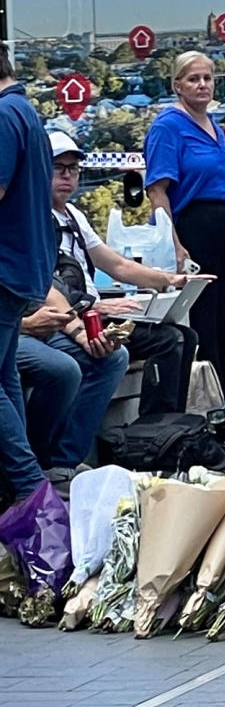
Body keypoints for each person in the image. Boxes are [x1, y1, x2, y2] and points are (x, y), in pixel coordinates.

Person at [48, 131, 201, 417]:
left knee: (187, 336)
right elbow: (45, 285)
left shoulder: (73, 214)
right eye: (59, 168)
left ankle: (170, 426)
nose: (68, 176)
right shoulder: (35, 217)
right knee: (170, 340)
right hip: (72, 317)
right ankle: (154, 430)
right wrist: (94, 306)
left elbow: (117, 265)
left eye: (74, 169)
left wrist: (170, 280)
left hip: (95, 312)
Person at [143, 51, 225, 436]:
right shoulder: (168, 127)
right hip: (195, 230)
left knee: (223, 324)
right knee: (203, 324)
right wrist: (173, 242)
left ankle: (219, 399)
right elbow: (158, 190)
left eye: (207, 78)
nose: (202, 85)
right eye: (193, 79)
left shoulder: (215, 126)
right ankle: (214, 409)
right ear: (177, 84)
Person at [0, 42, 57, 505]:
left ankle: (29, 487)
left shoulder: (2, 116)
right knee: (6, 377)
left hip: (4, 268)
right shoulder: (25, 112)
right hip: (23, 269)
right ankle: (21, 485)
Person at [17, 285, 129, 492]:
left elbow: (48, 289)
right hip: (12, 329)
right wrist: (24, 325)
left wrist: (80, 334)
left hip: (36, 324)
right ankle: (36, 465)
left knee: (113, 358)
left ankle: (64, 461)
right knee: (62, 369)